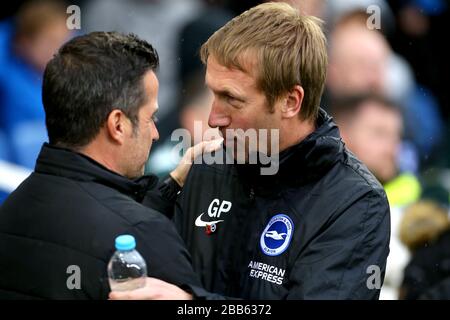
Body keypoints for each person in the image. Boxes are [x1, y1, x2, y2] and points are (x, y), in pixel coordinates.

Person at [111, 2, 390, 300]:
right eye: (212, 94)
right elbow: (128, 261)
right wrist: (167, 192)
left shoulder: (355, 203)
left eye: (231, 98)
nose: (213, 119)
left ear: (290, 101)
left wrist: (193, 305)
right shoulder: (204, 170)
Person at [0, 31, 220, 299]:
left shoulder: (10, 208)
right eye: (151, 117)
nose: (156, 133)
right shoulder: (143, 238)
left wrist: (170, 186)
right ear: (118, 125)